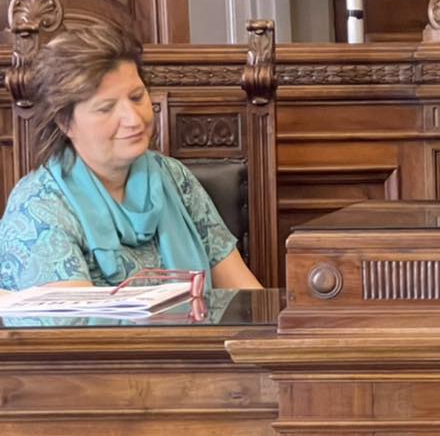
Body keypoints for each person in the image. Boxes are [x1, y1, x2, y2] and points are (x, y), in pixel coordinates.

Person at [0, 20, 261, 291]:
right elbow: (75, 317)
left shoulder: (174, 177)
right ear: (65, 123)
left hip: (204, 321)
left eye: (137, 97)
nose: (133, 119)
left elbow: (245, 294)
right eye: (106, 108)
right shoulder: (38, 207)